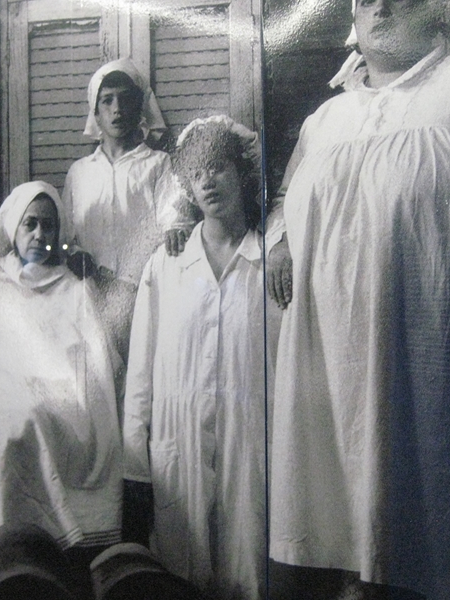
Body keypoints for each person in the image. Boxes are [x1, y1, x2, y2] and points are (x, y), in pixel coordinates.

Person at [265, 1, 450, 599]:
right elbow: (287, 198)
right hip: (328, 336)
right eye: (367, 0)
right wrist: (280, 241)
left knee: (424, 483)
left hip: (423, 318)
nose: (382, 7)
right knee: (336, 478)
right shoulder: (327, 117)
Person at [122, 116, 279, 600]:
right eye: (196, 172)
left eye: (219, 167)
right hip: (179, 448)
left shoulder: (271, 265)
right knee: (180, 573)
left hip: (251, 450)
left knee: (249, 571)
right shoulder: (165, 265)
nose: (208, 181)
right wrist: (135, 465)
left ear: (242, 173)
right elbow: (140, 374)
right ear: (187, 187)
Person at [0, 182, 124, 578]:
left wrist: (50, 386)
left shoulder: (74, 285)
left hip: (64, 397)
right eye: (30, 224)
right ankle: (0, 548)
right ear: (14, 229)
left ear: (59, 232)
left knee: (29, 417)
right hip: (3, 386)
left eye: (48, 225)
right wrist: (11, 385)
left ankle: (39, 552)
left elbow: (94, 361)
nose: (40, 234)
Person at [62, 57, 194, 361]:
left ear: (140, 107)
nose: (117, 109)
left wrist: (173, 231)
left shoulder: (157, 164)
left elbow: (174, 222)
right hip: (90, 298)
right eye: (107, 100)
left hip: (143, 294)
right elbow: (65, 238)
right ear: (96, 113)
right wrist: (74, 253)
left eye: (125, 99)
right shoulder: (79, 173)